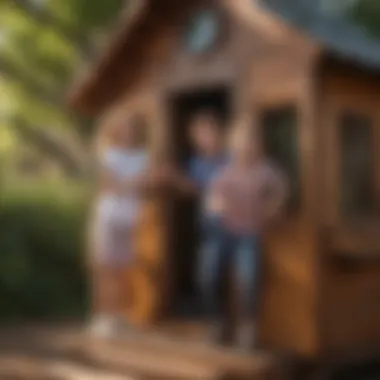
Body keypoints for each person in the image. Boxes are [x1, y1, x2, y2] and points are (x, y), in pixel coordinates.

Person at [207, 119, 288, 350]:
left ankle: (247, 328)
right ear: (233, 144)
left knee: (249, 279)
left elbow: (281, 191)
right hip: (224, 232)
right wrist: (216, 205)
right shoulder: (225, 171)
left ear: (256, 144)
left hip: (250, 233)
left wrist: (273, 208)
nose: (245, 146)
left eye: (249, 141)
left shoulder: (266, 170)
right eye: (241, 141)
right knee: (209, 274)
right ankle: (219, 323)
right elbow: (213, 199)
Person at [88, 110, 168, 338]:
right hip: (109, 218)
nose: (128, 131)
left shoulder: (145, 156)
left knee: (126, 270)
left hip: (134, 219)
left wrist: (143, 181)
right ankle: (102, 317)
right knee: (106, 268)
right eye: (124, 126)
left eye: (133, 127)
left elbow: (152, 183)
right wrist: (137, 182)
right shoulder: (109, 155)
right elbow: (108, 185)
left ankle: (122, 316)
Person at [172, 110, 228, 343]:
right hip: (210, 229)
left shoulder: (232, 158)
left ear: (219, 133)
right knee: (206, 277)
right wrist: (173, 179)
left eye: (208, 132)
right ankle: (216, 323)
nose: (205, 138)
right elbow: (194, 189)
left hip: (236, 228)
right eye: (199, 135)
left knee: (242, 279)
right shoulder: (196, 162)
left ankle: (237, 327)